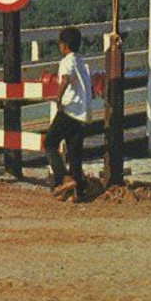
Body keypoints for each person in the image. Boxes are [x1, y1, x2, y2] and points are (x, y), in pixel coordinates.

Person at [45, 26, 92, 201]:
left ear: (64, 46)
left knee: (50, 143)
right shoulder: (83, 62)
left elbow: (65, 79)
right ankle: (78, 191)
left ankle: (63, 178)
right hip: (83, 112)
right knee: (74, 152)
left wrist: (58, 98)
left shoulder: (66, 61)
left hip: (70, 109)